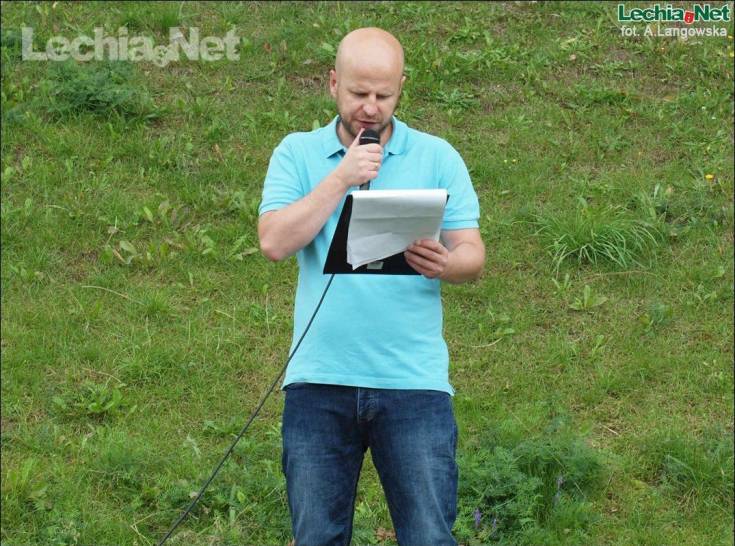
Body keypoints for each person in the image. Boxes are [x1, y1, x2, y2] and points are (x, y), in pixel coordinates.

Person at [258, 27, 485, 546]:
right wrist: (341, 177)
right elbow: (273, 242)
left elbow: (473, 256)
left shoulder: (437, 156)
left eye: (384, 95)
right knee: (316, 536)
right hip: (319, 380)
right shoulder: (297, 153)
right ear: (333, 83)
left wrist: (445, 263)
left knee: (428, 536)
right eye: (359, 93)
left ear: (401, 88)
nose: (370, 107)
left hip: (413, 382)